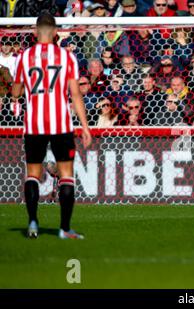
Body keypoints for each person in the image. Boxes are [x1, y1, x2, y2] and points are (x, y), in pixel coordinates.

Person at [11, 13, 92, 239]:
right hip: (61, 123)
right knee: (66, 174)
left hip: (34, 123)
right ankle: (64, 229)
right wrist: (85, 127)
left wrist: (16, 91)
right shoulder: (67, 57)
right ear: (56, 32)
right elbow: (76, 94)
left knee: (33, 174)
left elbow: (16, 92)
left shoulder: (24, 57)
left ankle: (33, 223)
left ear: (35, 32)